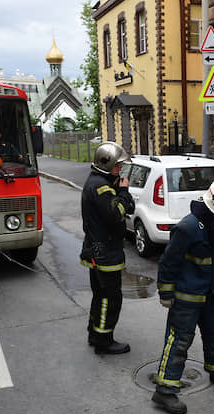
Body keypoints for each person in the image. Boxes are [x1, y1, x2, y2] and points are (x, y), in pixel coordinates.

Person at [152, 176, 214, 414]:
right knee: (179, 341)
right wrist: (165, 291)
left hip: (210, 295)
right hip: (187, 297)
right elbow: (168, 262)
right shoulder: (188, 227)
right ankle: (164, 391)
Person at [80, 141, 136, 355]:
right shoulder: (100, 187)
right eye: (117, 166)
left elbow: (124, 208)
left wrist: (122, 196)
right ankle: (104, 340)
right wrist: (124, 192)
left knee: (100, 295)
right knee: (110, 298)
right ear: (106, 164)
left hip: (99, 251)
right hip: (105, 254)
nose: (119, 170)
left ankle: (95, 333)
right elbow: (115, 215)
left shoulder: (99, 182)